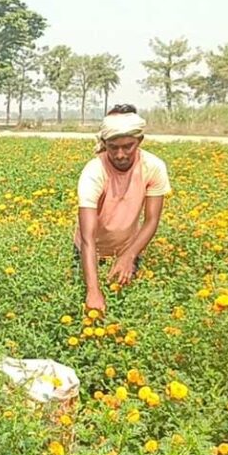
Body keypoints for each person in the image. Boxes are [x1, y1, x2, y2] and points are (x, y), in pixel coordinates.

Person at [75, 104, 172, 313]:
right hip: (90, 254)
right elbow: (87, 237)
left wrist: (128, 255)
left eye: (128, 146)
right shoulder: (94, 172)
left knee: (128, 308)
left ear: (140, 141)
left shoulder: (153, 167)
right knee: (88, 304)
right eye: (113, 147)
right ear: (104, 144)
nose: (120, 154)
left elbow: (151, 220)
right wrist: (93, 290)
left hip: (129, 248)